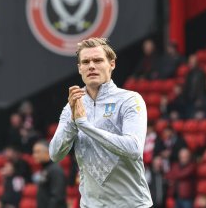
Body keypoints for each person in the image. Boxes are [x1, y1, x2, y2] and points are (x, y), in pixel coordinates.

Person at [49, 37, 153, 207]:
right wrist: (73, 124)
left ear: (111, 64)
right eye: (86, 62)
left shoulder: (129, 100)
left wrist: (84, 125)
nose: (91, 66)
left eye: (97, 60)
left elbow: (134, 148)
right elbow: (55, 154)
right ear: (79, 68)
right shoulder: (73, 104)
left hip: (131, 204)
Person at [33, 140, 67, 208]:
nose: (34, 155)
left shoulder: (55, 170)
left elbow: (58, 197)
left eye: (37, 152)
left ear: (47, 152)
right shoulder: (46, 169)